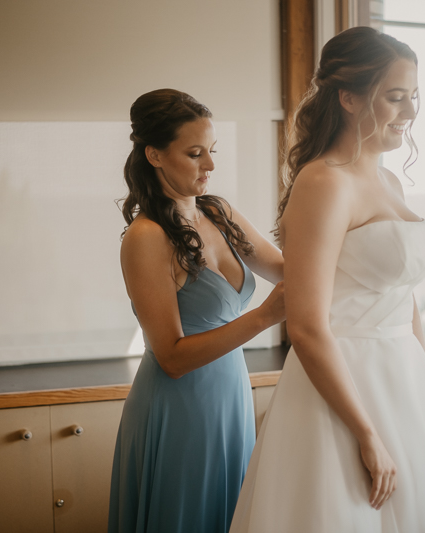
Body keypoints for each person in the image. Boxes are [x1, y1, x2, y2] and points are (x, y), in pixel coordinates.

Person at [230, 27, 425, 532]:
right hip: (343, 386)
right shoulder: (324, 181)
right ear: (349, 97)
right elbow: (309, 325)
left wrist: (423, 385)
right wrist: (366, 432)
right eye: (395, 97)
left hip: (404, 381)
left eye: (414, 97)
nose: (409, 112)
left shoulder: (388, 179)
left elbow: (404, 298)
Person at [108, 89, 285, 533]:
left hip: (231, 399)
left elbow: (286, 271)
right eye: (195, 153)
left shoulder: (219, 212)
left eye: (212, 151)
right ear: (155, 155)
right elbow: (170, 356)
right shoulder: (146, 237)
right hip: (178, 410)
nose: (210, 165)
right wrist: (263, 317)